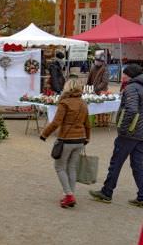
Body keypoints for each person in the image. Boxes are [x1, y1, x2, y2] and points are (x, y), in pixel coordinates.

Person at [89, 64, 143, 207]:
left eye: (125, 74)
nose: (123, 76)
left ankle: (107, 192)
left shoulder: (132, 88)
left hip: (130, 134)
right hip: (140, 133)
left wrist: (123, 128)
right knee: (138, 164)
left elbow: (131, 111)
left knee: (116, 163)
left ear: (130, 75)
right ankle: (142, 196)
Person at [40, 79, 91, 208]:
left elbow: (56, 122)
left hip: (66, 139)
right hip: (80, 139)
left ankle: (68, 195)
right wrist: (87, 138)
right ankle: (70, 194)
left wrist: (44, 134)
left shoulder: (64, 103)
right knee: (72, 167)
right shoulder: (83, 103)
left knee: (59, 167)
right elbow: (87, 124)